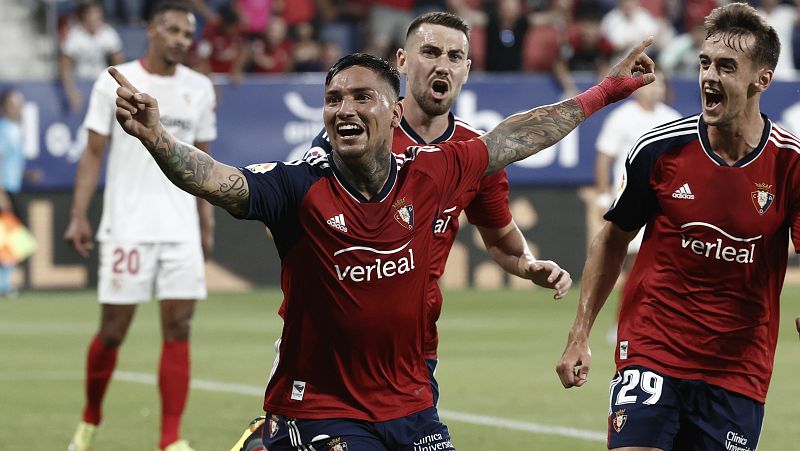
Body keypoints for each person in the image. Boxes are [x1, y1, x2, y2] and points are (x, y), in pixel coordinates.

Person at [108, 38, 653, 450]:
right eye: (333, 99)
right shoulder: (298, 187)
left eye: (361, 97)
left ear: (394, 113)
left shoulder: (433, 172)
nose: (343, 108)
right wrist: (157, 138)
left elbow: (518, 136)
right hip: (323, 405)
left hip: (412, 401)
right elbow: (216, 179)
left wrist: (605, 91)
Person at [556, 4, 800, 450]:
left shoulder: (790, 164)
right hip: (653, 349)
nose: (709, 76)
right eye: (705, 63)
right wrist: (580, 332)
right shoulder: (660, 149)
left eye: (727, 67)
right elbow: (613, 239)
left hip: (738, 369)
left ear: (762, 80)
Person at [64, 2, 216, 451]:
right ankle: (90, 420)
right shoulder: (114, 81)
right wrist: (78, 214)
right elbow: (93, 153)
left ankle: (170, 439)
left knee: (180, 328)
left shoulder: (200, 88)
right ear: (151, 29)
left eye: (187, 33)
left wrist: (205, 221)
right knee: (113, 332)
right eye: (172, 29)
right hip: (127, 225)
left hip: (180, 228)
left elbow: (203, 162)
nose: (181, 40)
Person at [592, 70, 681, 344]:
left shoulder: (673, 119)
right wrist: (603, 197)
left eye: (660, 84)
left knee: (664, 268)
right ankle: (622, 324)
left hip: (665, 203)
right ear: (639, 88)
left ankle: (660, 324)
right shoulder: (621, 118)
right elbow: (604, 158)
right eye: (651, 84)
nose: (656, 89)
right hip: (630, 200)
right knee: (632, 267)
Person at [59, 1, 124, 112]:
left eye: (97, 17)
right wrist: (71, 91)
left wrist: (117, 87)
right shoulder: (75, 35)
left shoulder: (108, 33)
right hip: (80, 82)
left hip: (101, 82)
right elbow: (64, 65)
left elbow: (119, 63)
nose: (94, 20)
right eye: (91, 16)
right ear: (84, 18)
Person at [0, 88, 27, 296]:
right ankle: (4, 284)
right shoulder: (3, 129)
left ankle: (5, 282)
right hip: (5, 190)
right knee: (10, 238)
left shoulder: (15, 129)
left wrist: (27, 175)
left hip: (13, 188)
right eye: (13, 106)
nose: (17, 109)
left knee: (11, 239)